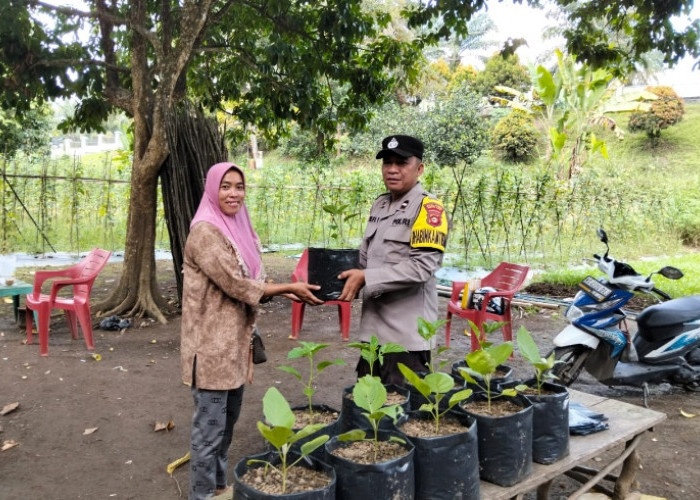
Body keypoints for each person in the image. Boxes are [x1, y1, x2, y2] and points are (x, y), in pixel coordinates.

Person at [180, 162, 323, 500]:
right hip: (211, 347)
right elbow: (234, 283)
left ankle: (217, 486)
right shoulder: (205, 231)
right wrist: (284, 287)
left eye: (239, 187)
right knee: (208, 432)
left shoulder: (235, 227)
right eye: (226, 186)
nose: (234, 193)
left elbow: (249, 278)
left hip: (235, 344)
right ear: (212, 190)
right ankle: (200, 495)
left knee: (225, 427)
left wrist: (280, 288)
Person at [338, 135, 449, 385]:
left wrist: (365, 277)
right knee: (368, 410)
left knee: (402, 415)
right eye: (387, 163)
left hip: (405, 341)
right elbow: (364, 259)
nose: (392, 169)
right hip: (372, 335)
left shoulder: (428, 210)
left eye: (401, 163)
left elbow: (422, 268)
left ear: (419, 168)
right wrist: (331, 276)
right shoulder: (380, 205)